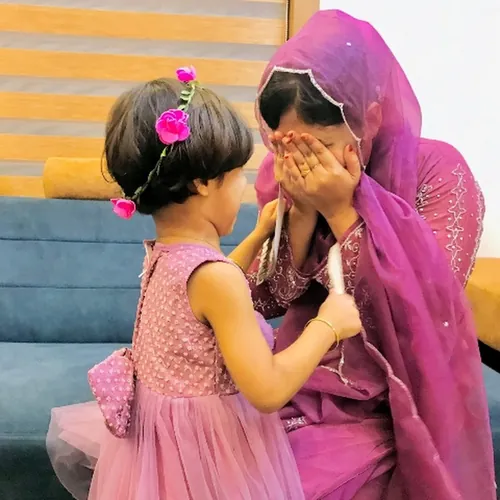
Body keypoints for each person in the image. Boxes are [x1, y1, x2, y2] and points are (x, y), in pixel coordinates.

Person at [46, 69, 363, 500]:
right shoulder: (215, 279)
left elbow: (209, 292)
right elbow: (267, 390)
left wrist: (257, 237)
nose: (245, 186)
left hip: (163, 450)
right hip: (209, 456)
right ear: (203, 183)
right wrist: (327, 324)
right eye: (237, 175)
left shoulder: (164, 254)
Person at [249, 9, 496, 500]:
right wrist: (302, 214)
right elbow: (268, 299)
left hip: (399, 392)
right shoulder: (286, 175)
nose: (303, 163)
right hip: (300, 373)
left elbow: (429, 312)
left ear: (371, 117)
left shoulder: (439, 172)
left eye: (320, 146)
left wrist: (342, 211)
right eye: (287, 148)